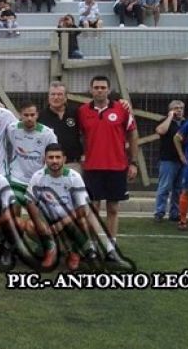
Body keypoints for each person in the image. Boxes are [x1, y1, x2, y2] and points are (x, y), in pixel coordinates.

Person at [78, 76, 138, 249]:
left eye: (103, 87)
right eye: (96, 87)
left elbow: (132, 134)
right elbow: (78, 135)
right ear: (91, 90)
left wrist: (133, 162)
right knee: (93, 209)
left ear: (109, 90)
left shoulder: (122, 109)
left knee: (113, 208)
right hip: (92, 167)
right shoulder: (82, 111)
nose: (99, 90)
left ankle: (111, 246)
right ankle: (92, 245)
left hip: (117, 166)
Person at [23, 144, 99, 270]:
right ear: (45, 159)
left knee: (86, 221)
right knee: (30, 226)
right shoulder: (38, 176)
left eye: (58, 157)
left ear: (64, 159)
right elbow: (30, 202)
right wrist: (39, 223)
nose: (54, 161)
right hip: (49, 220)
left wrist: (61, 224)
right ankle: (50, 248)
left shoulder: (74, 177)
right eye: (51, 157)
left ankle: (75, 252)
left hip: (70, 220)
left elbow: (81, 210)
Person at [6, 102, 58, 207]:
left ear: (37, 115)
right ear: (20, 115)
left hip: (38, 179)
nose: (29, 118)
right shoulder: (12, 128)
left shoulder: (47, 134)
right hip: (17, 177)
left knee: (36, 211)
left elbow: (54, 155)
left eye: (32, 115)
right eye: (26, 115)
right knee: (14, 205)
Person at [153, 101, 185, 222]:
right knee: (165, 187)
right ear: (170, 110)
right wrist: (170, 117)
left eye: (181, 108)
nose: (179, 110)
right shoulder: (165, 121)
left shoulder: (186, 123)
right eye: (176, 108)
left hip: (183, 160)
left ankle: (175, 213)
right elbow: (161, 131)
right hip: (168, 160)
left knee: (179, 189)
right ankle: (159, 212)